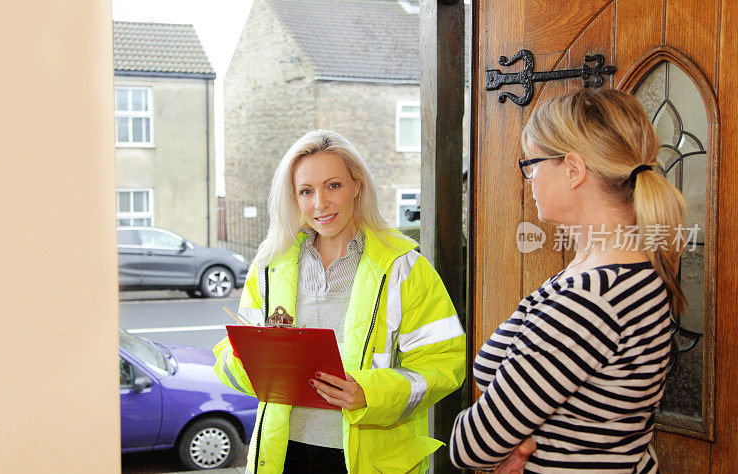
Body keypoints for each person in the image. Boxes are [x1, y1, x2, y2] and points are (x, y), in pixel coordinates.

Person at [450, 89, 687, 473]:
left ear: (574, 170)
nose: (529, 178)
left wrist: (511, 446)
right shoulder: (626, 269)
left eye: (532, 164)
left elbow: (470, 447)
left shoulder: (591, 300)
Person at [213, 130, 466, 473]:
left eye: (333, 186)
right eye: (306, 191)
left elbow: (444, 365)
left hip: (368, 459)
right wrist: (251, 364)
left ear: (357, 186)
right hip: (283, 454)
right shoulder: (269, 267)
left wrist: (369, 393)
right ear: (294, 198)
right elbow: (230, 356)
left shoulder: (403, 266)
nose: (320, 203)